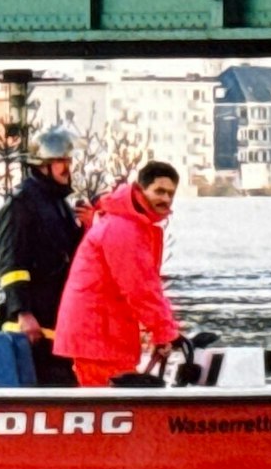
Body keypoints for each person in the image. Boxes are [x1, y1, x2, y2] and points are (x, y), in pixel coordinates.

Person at [53, 160, 184, 387]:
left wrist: (160, 330)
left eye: (171, 194)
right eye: (159, 191)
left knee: (108, 405)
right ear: (140, 190)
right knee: (110, 405)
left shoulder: (124, 223)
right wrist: (165, 332)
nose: (166, 199)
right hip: (100, 336)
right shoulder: (125, 229)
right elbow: (140, 288)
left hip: (102, 333)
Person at [0, 129, 87, 386]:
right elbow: (12, 264)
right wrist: (22, 312)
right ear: (42, 165)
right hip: (31, 326)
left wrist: (88, 228)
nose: (67, 168)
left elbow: (71, 256)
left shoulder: (58, 203)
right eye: (61, 161)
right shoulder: (21, 203)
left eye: (69, 161)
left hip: (56, 320)